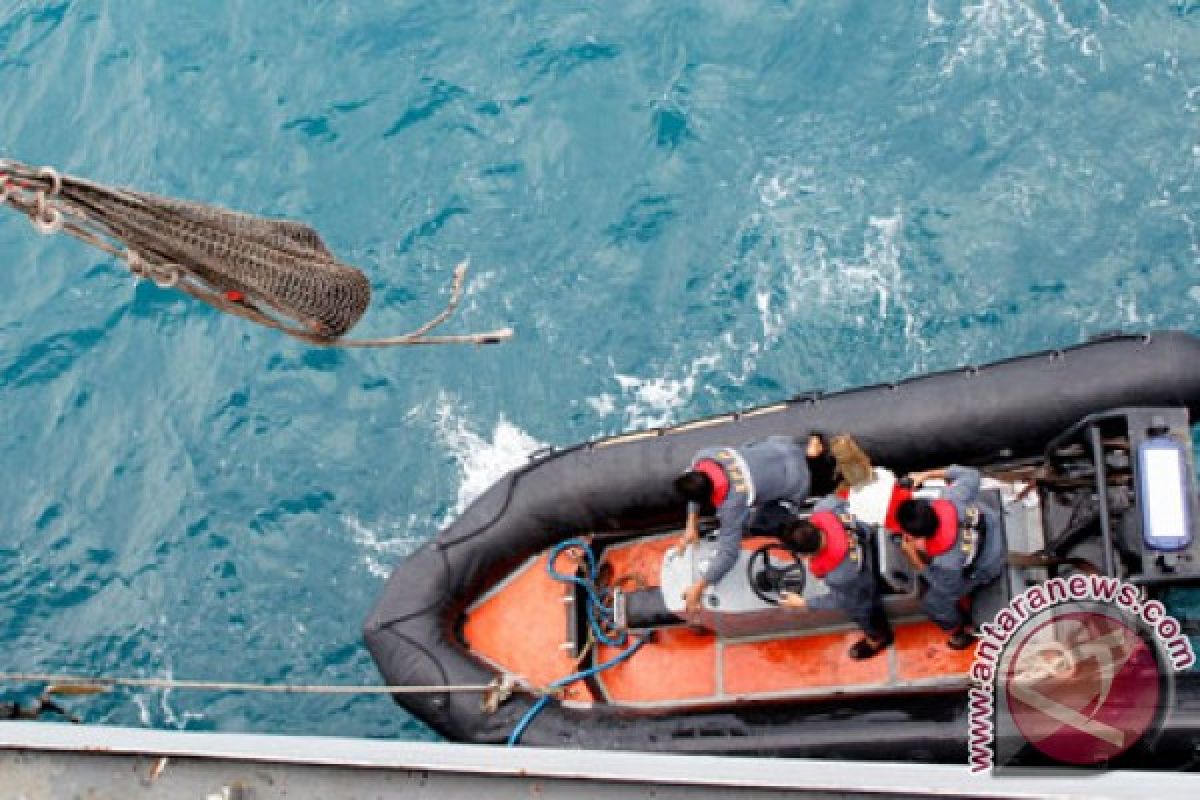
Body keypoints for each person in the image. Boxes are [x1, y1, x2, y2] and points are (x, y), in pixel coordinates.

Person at [674, 434, 822, 613]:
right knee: (748, 447)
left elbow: (729, 553)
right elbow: (693, 483)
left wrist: (700, 586)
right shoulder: (706, 455)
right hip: (783, 446)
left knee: (761, 524)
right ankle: (808, 451)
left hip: (796, 483)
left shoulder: (733, 504)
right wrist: (691, 524)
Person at [894, 465, 1006, 649]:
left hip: (990, 561)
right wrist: (926, 473)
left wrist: (916, 559)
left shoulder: (946, 562)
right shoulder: (953, 497)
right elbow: (972, 473)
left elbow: (951, 589)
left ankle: (959, 631)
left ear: (919, 537)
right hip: (991, 524)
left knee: (934, 602)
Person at [777, 496, 894, 659]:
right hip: (870, 539)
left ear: (806, 555)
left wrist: (805, 603)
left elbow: (845, 601)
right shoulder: (828, 506)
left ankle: (878, 638)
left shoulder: (839, 577)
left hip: (866, 580)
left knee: (862, 610)